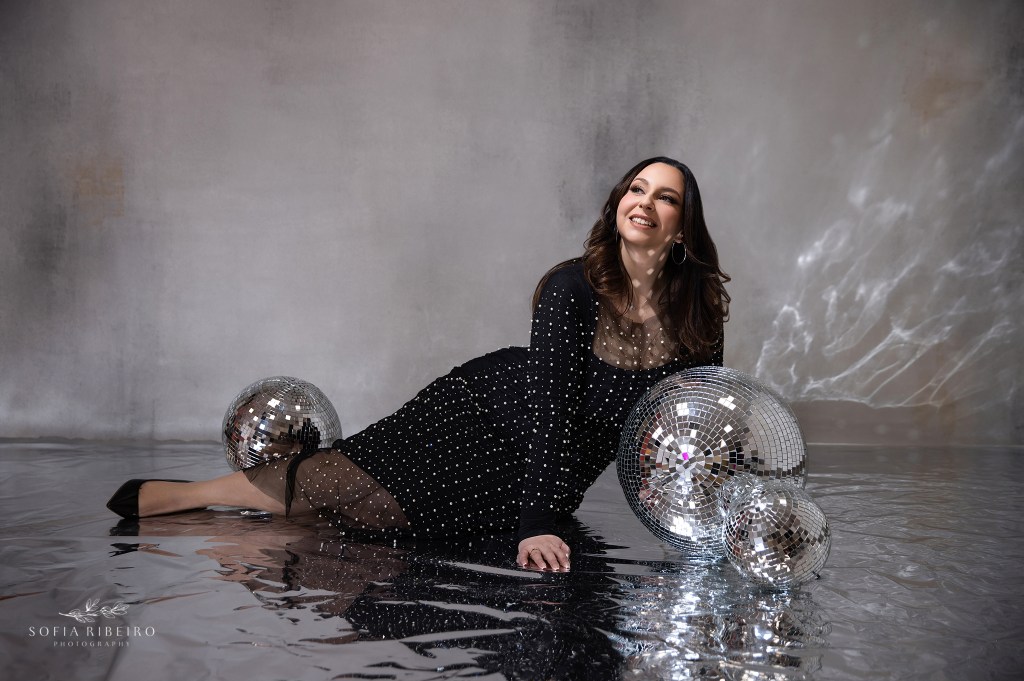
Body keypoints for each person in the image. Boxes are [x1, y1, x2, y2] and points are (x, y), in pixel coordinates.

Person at [107, 156, 730, 572]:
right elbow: (552, 413)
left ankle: (237, 506)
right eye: (635, 188)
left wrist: (720, 513)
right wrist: (538, 521)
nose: (643, 202)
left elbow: (697, 422)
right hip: (488, 413)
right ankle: (182, 496)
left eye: (664, 196)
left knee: (396, 524)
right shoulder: (573, 286)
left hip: (547, 466)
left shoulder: (699, 313)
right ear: (619, 203)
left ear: (682, 226)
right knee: (363, 487)